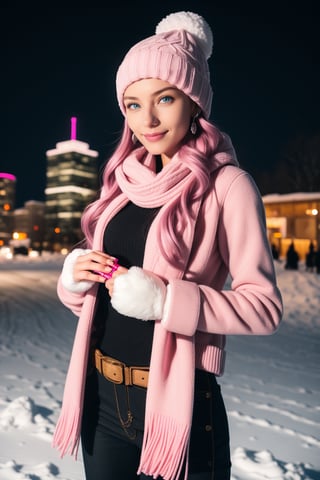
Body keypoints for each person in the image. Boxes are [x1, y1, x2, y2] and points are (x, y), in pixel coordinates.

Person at [52, 11, 283, 480]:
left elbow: (264, 308)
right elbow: (102, 303)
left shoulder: (227, 186)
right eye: (133, 104)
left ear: (195, 102)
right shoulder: (121, 184)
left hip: (179, 404)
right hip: (102, 396)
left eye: (165, 99)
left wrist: (165, 301)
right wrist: (75, 281)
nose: (148, 119)